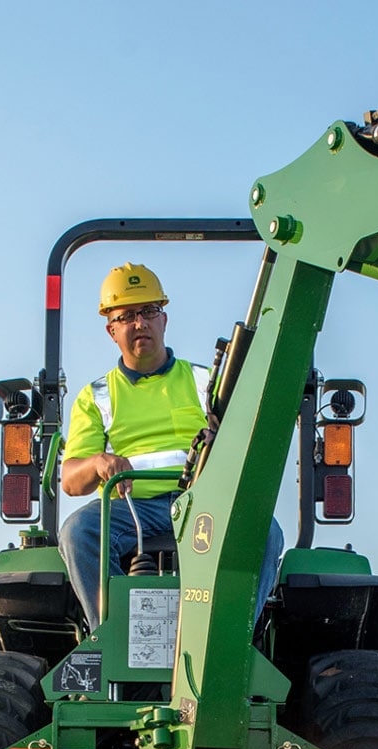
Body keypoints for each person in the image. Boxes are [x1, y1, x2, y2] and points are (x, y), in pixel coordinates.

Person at [58, 263, 284, 629]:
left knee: (265, 530)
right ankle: (112, 637)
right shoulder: (95, 396)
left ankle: (232, 638)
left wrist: (222, 443)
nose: (140, 323)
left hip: (198, 504)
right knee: (78, 532)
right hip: (132, 511)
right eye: (127, 315)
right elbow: (71, 480)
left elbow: (247, 443)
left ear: (164, 319)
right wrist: (100, 462)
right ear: (111, 329)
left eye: (149, 311)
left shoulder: (208, 382)